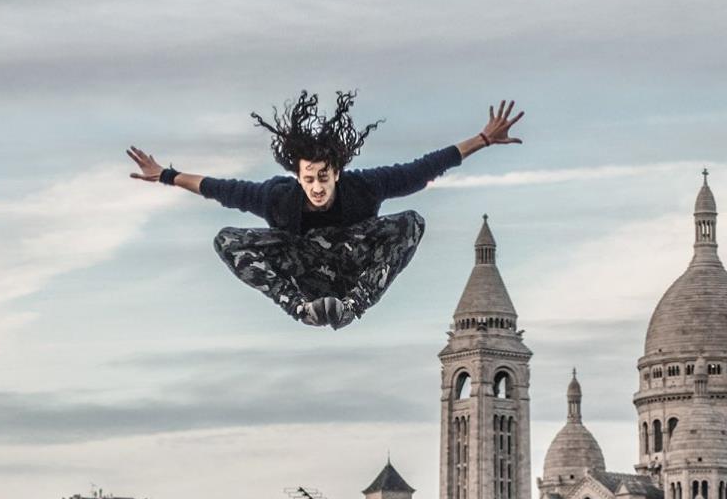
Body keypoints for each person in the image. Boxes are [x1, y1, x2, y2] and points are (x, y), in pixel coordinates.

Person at [126, 91, 524, 328]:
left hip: (351, 266)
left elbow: (422, 169)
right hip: (305, 271)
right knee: (226, 239)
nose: (317, 188)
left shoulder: (364, 187)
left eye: (323, 178)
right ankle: (298, 307)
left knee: (412, 222)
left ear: (336, 173)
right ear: (298, 177)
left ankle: (354, 305)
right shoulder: (278, 197)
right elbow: (219, 189)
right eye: (309, 179)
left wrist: (483, 139)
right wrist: (166, 175)